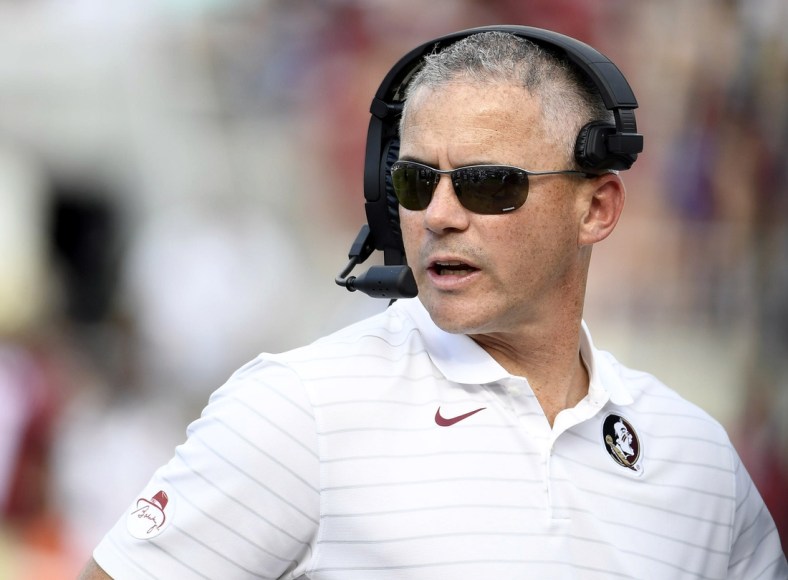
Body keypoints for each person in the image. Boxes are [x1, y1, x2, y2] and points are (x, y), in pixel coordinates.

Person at [80, 27, 787, 579]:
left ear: (597, 208)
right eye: (415, 182)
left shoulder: (698, 460)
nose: (439, 215)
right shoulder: (297, 411)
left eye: (486, 184)